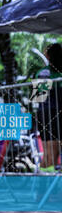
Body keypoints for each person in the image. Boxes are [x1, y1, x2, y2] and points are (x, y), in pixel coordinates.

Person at [35, 43, 62, 171]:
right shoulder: (46, 72)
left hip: (45, 114)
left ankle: (44, 186)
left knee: (49, 155)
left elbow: (39, 97)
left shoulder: (43, 73)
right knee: (51, 155)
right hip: (52, 115)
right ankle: (45, 187)